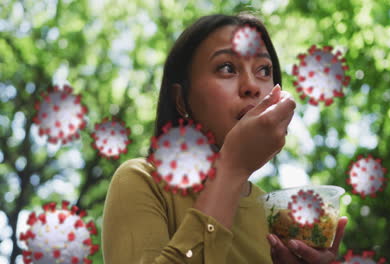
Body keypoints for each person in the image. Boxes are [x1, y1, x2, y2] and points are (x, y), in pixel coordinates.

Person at [102, 13, 347, 264]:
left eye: (264, 70)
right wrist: (232, 168)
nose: (252, 86)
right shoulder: (141, 180)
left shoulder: (273, 212)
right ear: (181, 100)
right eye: (227, 68)